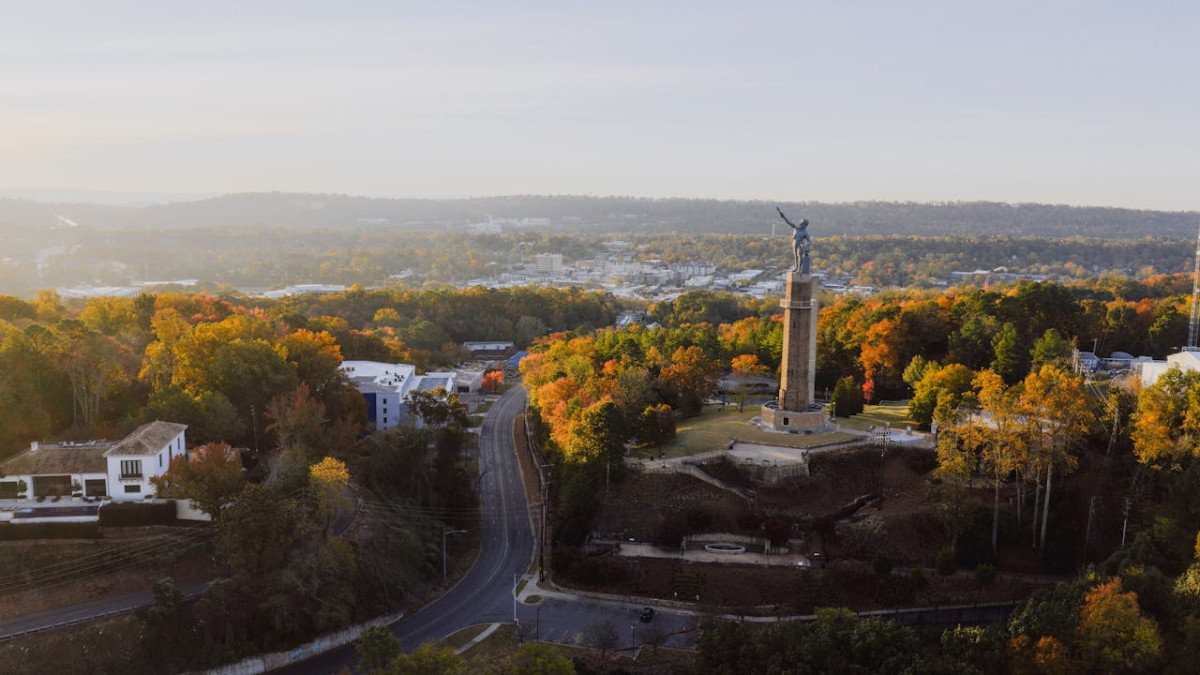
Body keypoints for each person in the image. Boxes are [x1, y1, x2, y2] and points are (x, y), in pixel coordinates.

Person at [776, 206, 811, 273]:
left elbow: (810, 241)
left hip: (800, 244)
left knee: (799, 256)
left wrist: (805, 244)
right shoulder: (796, 228)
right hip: (794, 243)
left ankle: (799, 269)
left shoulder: (805, 232)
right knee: (795, 256)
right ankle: (796, 267)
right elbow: (788, 222)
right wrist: (781, 214)